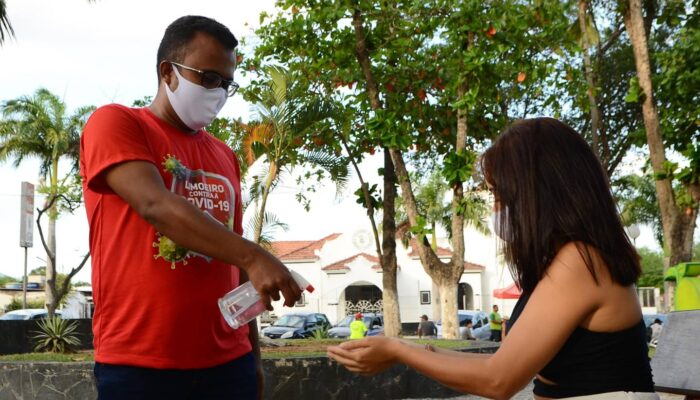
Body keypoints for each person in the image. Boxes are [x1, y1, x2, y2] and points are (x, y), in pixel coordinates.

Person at [328, 118, 657, 399]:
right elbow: (501, 363)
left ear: (536, 193)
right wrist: (403, 349)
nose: (496, 208)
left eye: (500, 195)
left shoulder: (581, 261)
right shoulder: (570, 260)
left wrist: (399, 351)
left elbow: (498, 380)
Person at [80, 16, 302, 400]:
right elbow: (155, 205)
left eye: (227, 83)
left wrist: (254, 359)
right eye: (209, 78)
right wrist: (255, 257)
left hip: (228, 365)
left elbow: (235, 264)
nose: (219, 91)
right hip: (140, 365)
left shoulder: (224, 156)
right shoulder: (116, 123)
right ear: (168, 72)